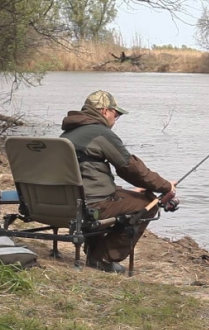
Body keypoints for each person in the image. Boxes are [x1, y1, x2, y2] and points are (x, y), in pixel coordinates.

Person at [60, 90, 177, 273]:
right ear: (104, 111)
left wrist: (122, 190)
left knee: (129, 195)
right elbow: (131, 169)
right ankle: (103, 257)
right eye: (116, 114)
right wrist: (165, 186)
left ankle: (94, 251)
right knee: (148, 205)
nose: (116, 119)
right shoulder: (101, 133)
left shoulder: (67, 135)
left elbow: (86, 175)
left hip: (61, 203)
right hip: (90, 204)